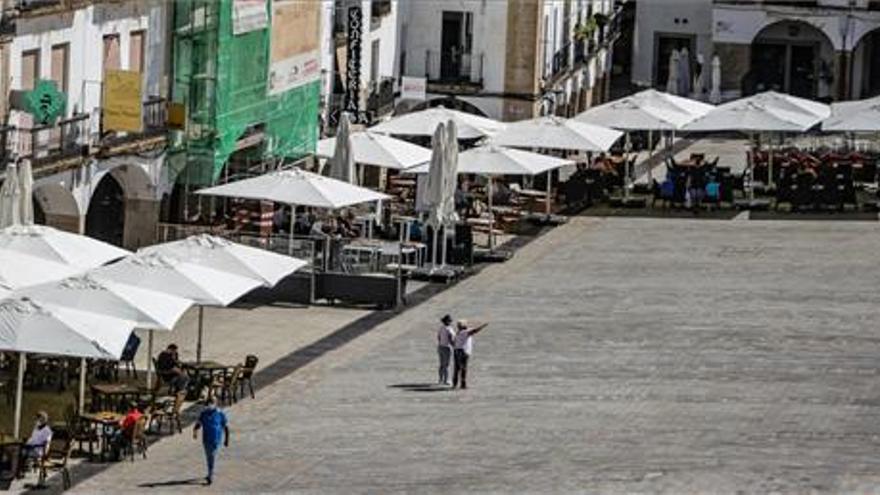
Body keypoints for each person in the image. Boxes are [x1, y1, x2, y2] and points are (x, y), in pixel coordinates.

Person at [193, 397, 229, 486]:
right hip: (206, 439)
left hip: (216, 439)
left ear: (215, 403)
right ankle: (210, 472)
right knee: (208, 456)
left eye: (212, 403)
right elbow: (198, 424)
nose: (210, 405)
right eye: (209, 403)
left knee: (212, 456)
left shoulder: (220, 414)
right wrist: (195, 432)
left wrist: (226, 440)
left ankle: (210, 475)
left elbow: (226, 427)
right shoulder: (204, 414)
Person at [452, 320, 490, 390]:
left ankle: (455, 384)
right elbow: (475, 331)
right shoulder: (464, 332)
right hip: (462, 352)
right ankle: (463, 384)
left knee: (457, 368)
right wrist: (483, 326)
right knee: (463, 368)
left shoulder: (459, 332)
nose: (467, 325)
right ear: (463, 326)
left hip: (457, 350)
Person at [18, 412, 52, 476]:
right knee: (18, 450)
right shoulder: (36, 428)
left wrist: (31, 445)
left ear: (43, 420)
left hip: (39, 450)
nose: (36, 421)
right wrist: (27, 443)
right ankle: (21, 469)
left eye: (37, 419)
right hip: (32, 447)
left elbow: (46, 443)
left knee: (20, 453)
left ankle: (21, 471)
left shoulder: (47, 431)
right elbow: (32, 438)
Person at [436, 315, 456, 385]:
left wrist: (442, 342)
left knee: (441, 364)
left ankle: (440, 379)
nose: (451, 322)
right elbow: (451, 339)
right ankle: (446, 380)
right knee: (447, 365)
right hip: (447, 348)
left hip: (440, 346)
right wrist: (454, 346)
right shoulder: (449, 329)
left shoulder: (441, 328)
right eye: (450, 321)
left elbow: (438, 337)